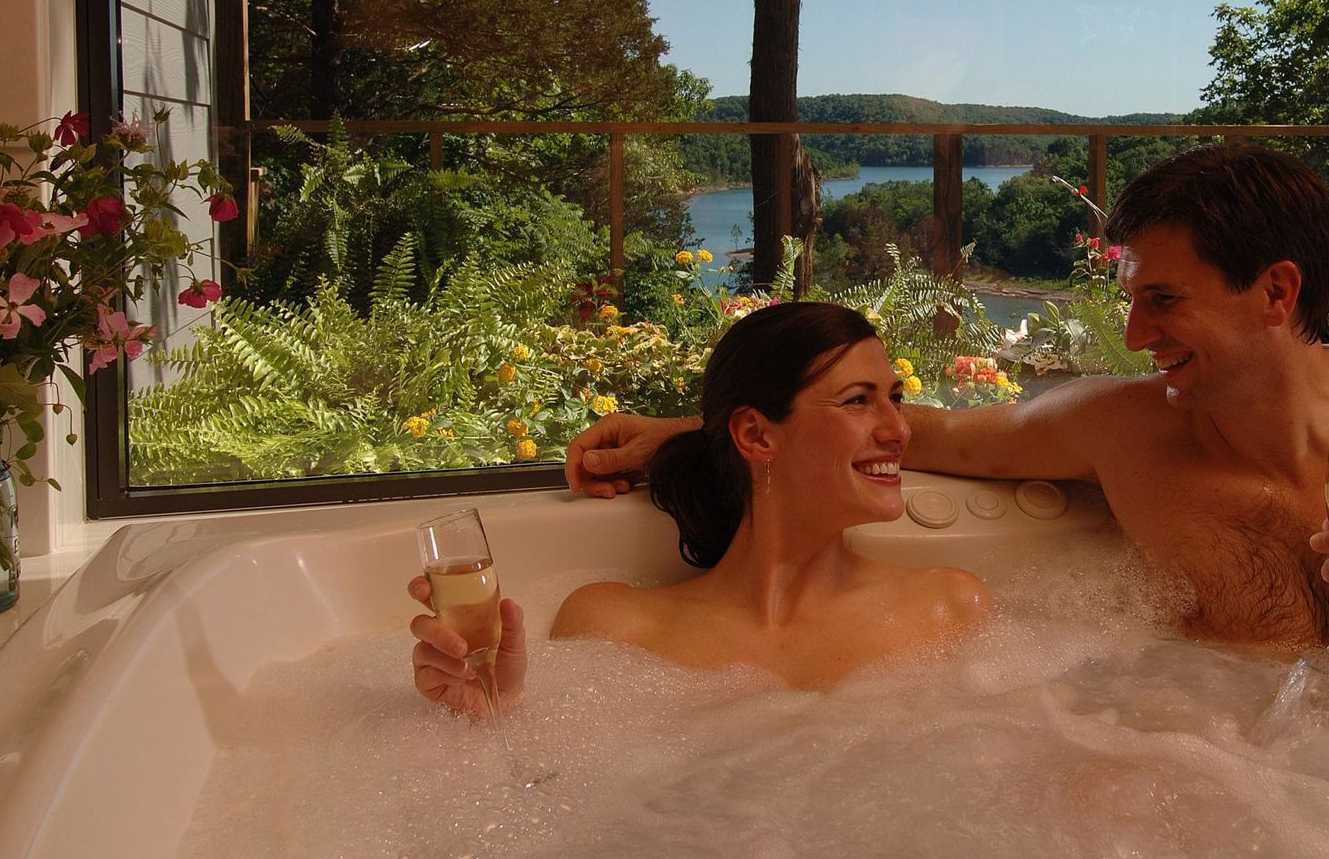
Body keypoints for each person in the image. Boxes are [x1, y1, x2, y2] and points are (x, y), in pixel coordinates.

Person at [570, 145, 1329, 706]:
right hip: (1216, 770)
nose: (1135, 331)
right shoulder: (1124, 429)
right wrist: (691, 425)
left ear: (1276, 292)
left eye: (1164, 300)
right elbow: (927, 434)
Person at [410, 302, 993, 712]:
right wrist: (490, 713)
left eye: (896, 398)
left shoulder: (949, 609)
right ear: (757, 437)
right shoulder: (613, 627)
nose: (899, 429)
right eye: (859, 402)